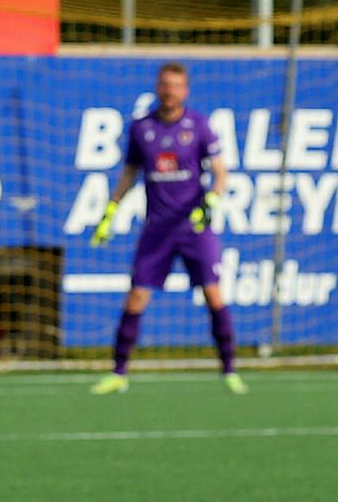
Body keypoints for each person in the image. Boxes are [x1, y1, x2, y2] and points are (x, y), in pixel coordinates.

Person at [88, 62, 247, 396]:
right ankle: (118, 372)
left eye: (175, 86)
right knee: (136, 296)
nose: (169, 91)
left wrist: (211, 203)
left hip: (193, 228)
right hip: (156, 229)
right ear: (157, 88)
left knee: (213, 293)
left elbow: (220, 172)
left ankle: (230, 369)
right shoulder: (141, 128)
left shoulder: (198, 126)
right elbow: (130, 173)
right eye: (164, 85)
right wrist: (110, 210)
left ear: (185, 91)